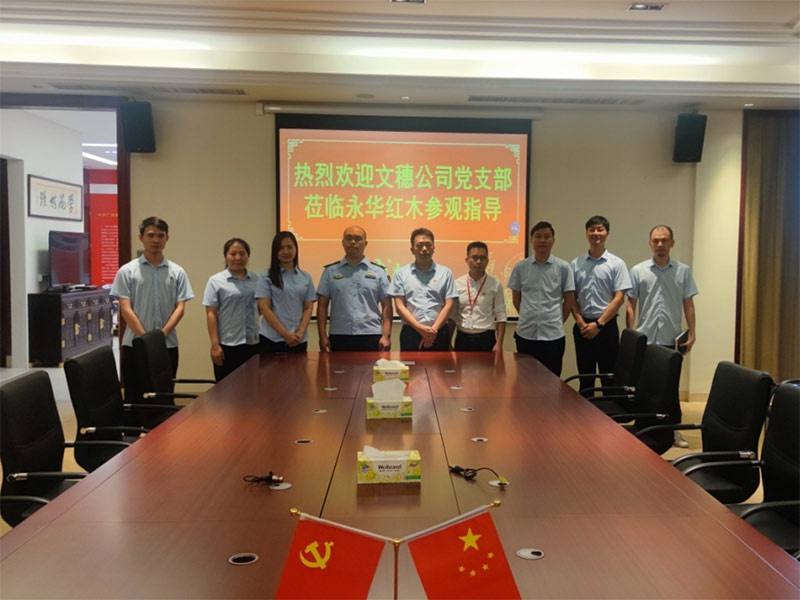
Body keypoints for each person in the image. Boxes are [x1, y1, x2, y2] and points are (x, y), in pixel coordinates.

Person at [627, 224, 699, 447]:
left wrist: (693, 332)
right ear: (650, 243)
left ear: (672, 243)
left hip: (671, 339)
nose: (660, 244)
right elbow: (630, 304)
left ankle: (673, 430)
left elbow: (688, 304)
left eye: (664, 240)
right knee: (644, 387)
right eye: (656, 240)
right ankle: (643, 428)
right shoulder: (638, 271)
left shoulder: (683, 271)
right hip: (646, 339)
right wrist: (631, 334)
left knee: (670, 389)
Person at [111, 216, 193, 401]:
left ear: (167, 238)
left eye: (160, 235)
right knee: (135, 396)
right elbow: (125, 308)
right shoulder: (127, 271)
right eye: (150, 235)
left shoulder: (177, 272)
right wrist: (147, 339)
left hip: (167, 345)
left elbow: (180, 308)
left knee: (164, 394)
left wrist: (160, 336)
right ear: (141, 237)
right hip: (134, 345)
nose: (156, 240)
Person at [571, 215, 631, 396]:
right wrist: (581, 322)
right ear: (586, 233)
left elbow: (619, 298)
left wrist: (599, 324)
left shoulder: (617, 264)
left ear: (607, 233)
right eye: (592, 230)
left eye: (600, 229)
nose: (596, 233)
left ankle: (609, 414)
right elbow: (571, 297)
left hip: (606, 327)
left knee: (609, 378)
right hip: (582, 328)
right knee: (585, 378)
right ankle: (584, 413)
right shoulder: (576, 264)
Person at [508, 222, 575, 375]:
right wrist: (527, 315)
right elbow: (516, 299)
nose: (542, 240)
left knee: (552, 380)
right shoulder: (521, 267)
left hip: (553, 336)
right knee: (525, 379)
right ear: (531, 240)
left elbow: (569, 300)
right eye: (538, 236)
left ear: (553, 240)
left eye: (547, 236)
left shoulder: (563, 267)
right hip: (526, 334)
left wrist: (557, 320)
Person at [317, 225, 392, 352]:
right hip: (339, 335)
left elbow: (387, 306)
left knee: (372, 366)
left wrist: (386, 336)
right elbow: (322, 306)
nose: (353, 242)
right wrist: (322, 336)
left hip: (371, 334)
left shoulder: (379, 272)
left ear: (365, 243)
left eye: (358, 239)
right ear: (343, 242)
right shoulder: (330, 272)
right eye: (349, 238)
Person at [389, 228, 457, 351]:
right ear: (412, 249)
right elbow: (399, 306)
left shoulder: (445, 273)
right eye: (419, 245)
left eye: (428, 245)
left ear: (434, 247)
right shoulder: (401, 274)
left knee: (441, 364)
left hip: (439, 331)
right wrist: (419, 328)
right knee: (410, 364)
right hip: (411, 332)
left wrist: (433, 330)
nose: (424, 249)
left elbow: (449, 304)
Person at [202, 238, 260, 381]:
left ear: (248, 256)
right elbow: (211, 314)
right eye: (233, 254)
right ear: (225, 256)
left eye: (242, 253)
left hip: (252, 342)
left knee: (252, 387)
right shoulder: (216, 281)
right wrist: (215, 345)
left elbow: (262, 307)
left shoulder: (257, 279)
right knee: (226, 389)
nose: (237, 258)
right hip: (227, 345)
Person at [256, 231, 315, 353]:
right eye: (281, 248)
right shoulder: (266, 277)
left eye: (289, 247)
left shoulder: (306, 277)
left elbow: (308, 307)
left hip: (299, 340)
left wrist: (300, 332)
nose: (286, 251)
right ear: (275, 251)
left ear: (296, 249)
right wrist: (285, 334)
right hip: (272, 340)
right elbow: (264, 308)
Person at [452, 241, 507, 352]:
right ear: (467, 260)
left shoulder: (495, 284)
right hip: (463, 337)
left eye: (482, 258)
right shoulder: (457, 284)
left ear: (487, 261)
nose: (478, 261)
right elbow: (453, 315)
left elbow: (501, 315)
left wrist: (499, 343)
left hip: (486, 338)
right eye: (475, 257)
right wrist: (449, 341)